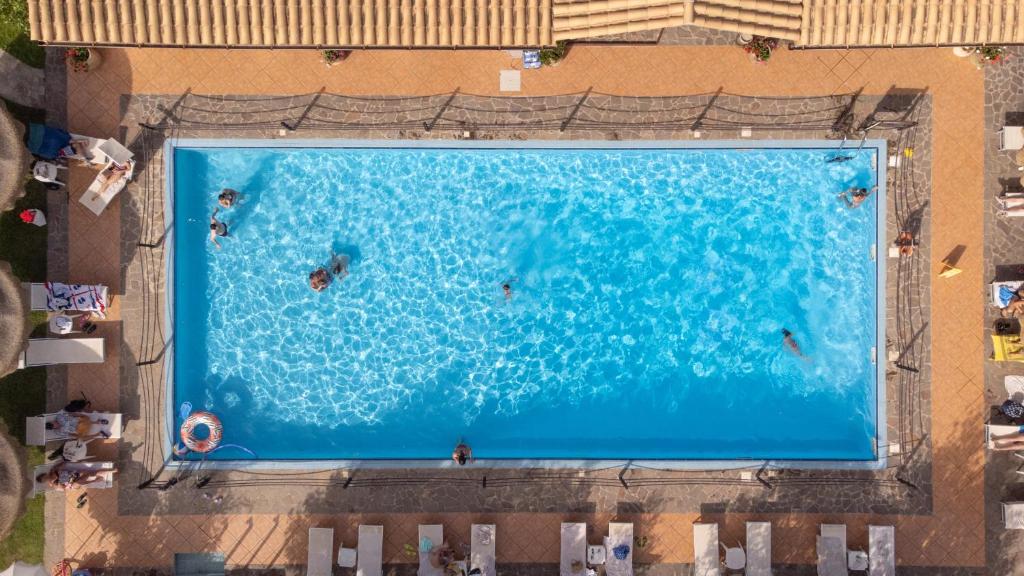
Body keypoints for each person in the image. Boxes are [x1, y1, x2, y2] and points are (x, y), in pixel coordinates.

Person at [35, 462, 105, 490]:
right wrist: (59, 483)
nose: (46, 478)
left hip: (73, 475)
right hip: (72, 483)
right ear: (44, 481)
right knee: (78, 482)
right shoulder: (52, 484)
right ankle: (95, 480)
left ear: (45, 474)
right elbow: (63, 488)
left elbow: (63, 464)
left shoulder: (53, 470)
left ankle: (97, 474)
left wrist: (59, 468)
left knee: (85, 472)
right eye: (44, 479)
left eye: (44, 477)